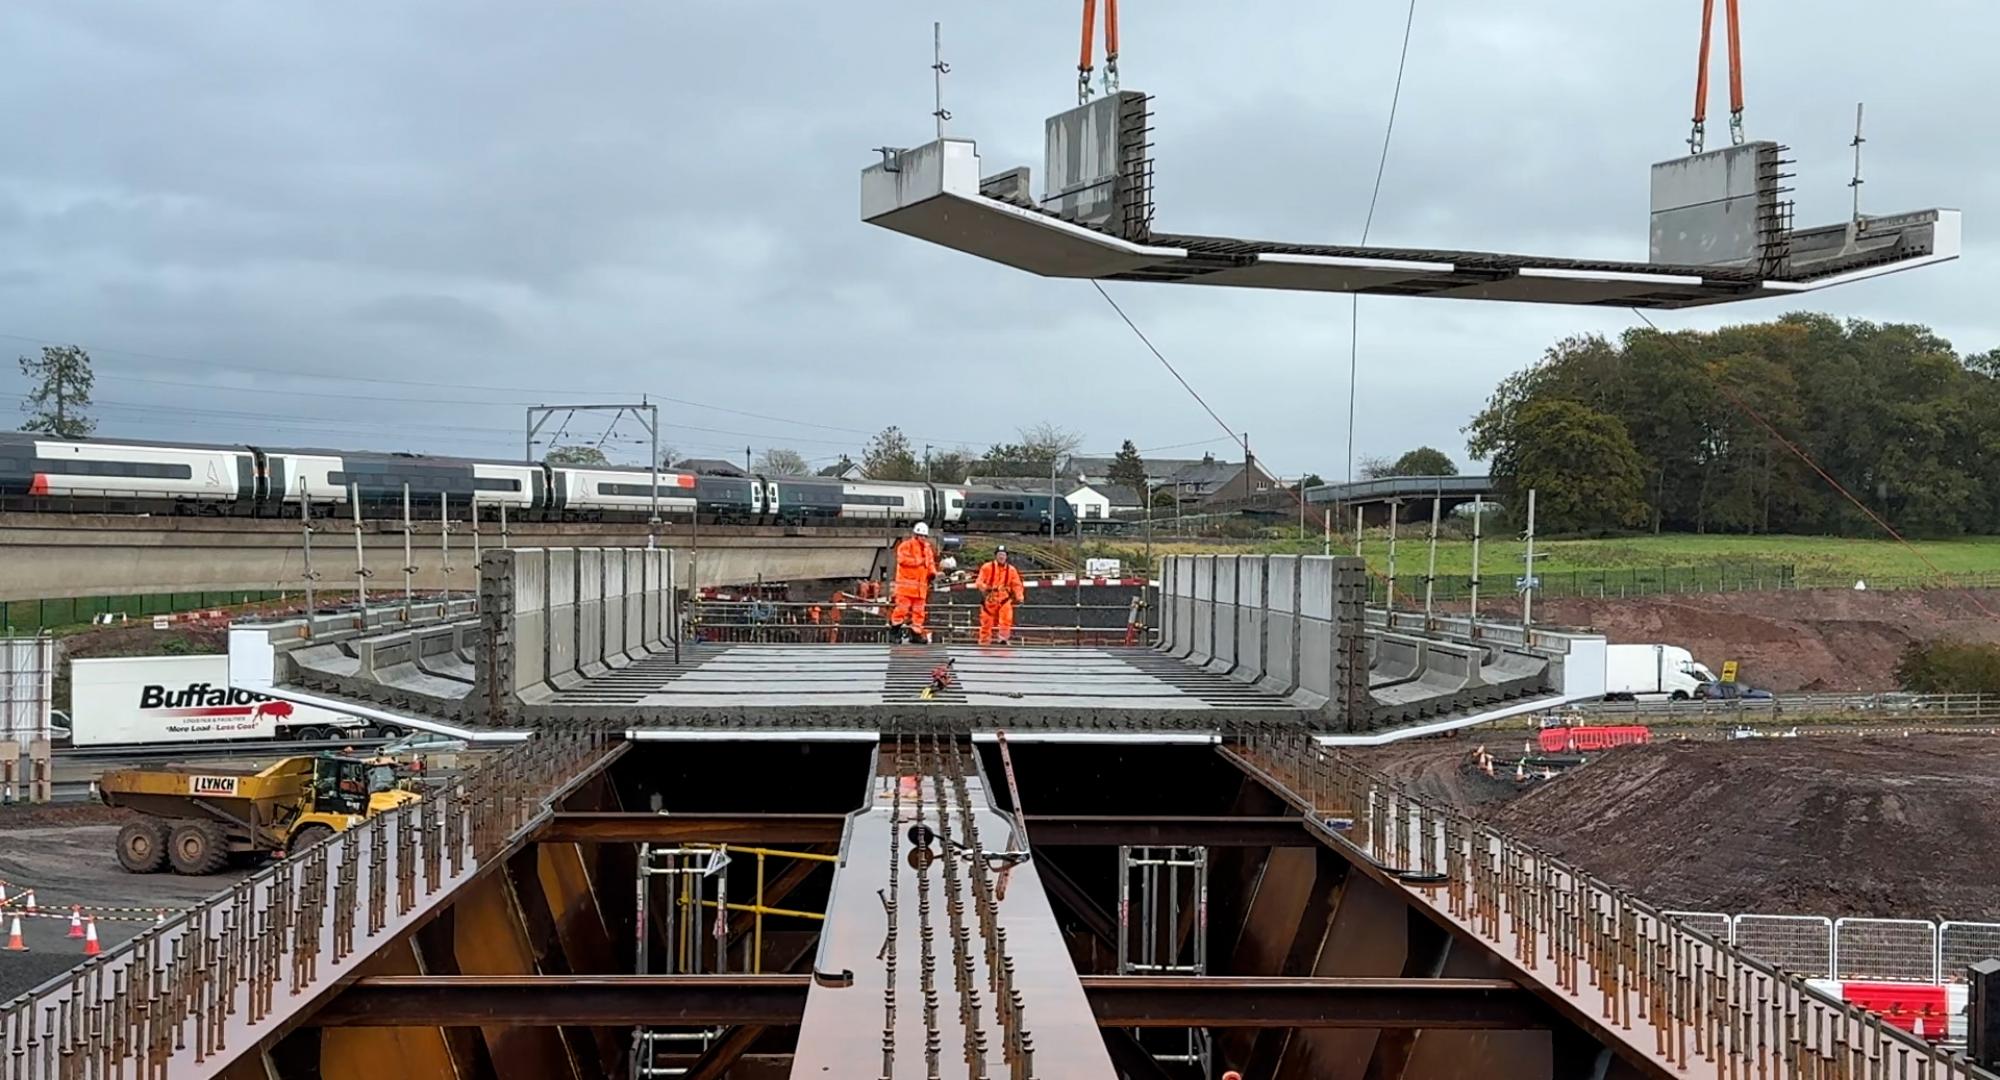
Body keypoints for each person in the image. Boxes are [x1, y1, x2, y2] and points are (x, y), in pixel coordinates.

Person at [889, 522, 939, 643]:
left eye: (925, 536)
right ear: (916, 535)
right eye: (921, 535)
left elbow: (930, 563)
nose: (923, 538)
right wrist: (919, 561)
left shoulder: (927, 549)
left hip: (921, 588)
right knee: (901, 610)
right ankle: (895, 632)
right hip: (906, 588)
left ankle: (915, 634)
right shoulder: (906, 546)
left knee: (919, 612)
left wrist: (932, 573)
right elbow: (902, 560)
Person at [975, 545, 1026, 645]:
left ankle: (1003, 639)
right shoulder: (987, 567)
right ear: (995, 556)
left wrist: (1020, 597)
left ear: (1006, 557)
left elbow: (1017, 585)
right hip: (990, 599)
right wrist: (986, 588)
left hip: (1004, 598)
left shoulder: (1011, 570)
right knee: (986, 622)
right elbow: (979, 582)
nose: (1001, 557)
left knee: (1006, 619)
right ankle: (984, 642)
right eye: (999, 555)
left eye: (1003, 555)